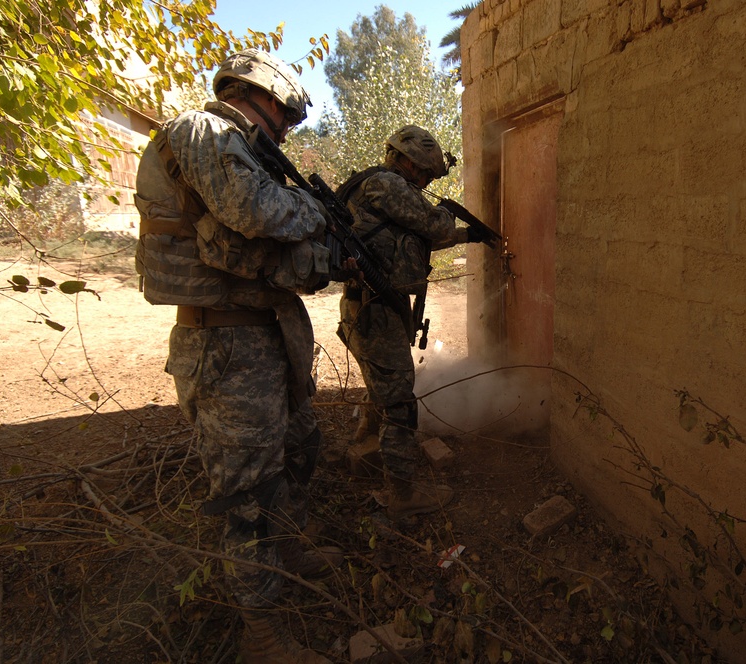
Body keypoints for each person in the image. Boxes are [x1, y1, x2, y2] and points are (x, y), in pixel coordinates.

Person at [134, 48, 338, 663]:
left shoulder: (240, 153)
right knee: (247, 494)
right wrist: (318, 216)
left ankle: (288, 554)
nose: (286, 129)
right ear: (265, 96)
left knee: (299, 451)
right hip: (224, 343)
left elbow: (266, 246)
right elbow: (255, 213)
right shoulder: (202, 131)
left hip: (265, 334)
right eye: (287, 116)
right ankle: (261, 631)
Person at [335, 125, 495, 519]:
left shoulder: (378, 187)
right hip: (377, 310)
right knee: (401, 405)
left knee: (380, 386)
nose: (424, 181)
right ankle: (402, 493)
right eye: (423, 174)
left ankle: (366, 444)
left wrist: (467, 235)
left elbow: (420, 234)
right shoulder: (388, 186)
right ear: (405, 161)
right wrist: (447, 218)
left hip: (366, 307)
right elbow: (433, 224)